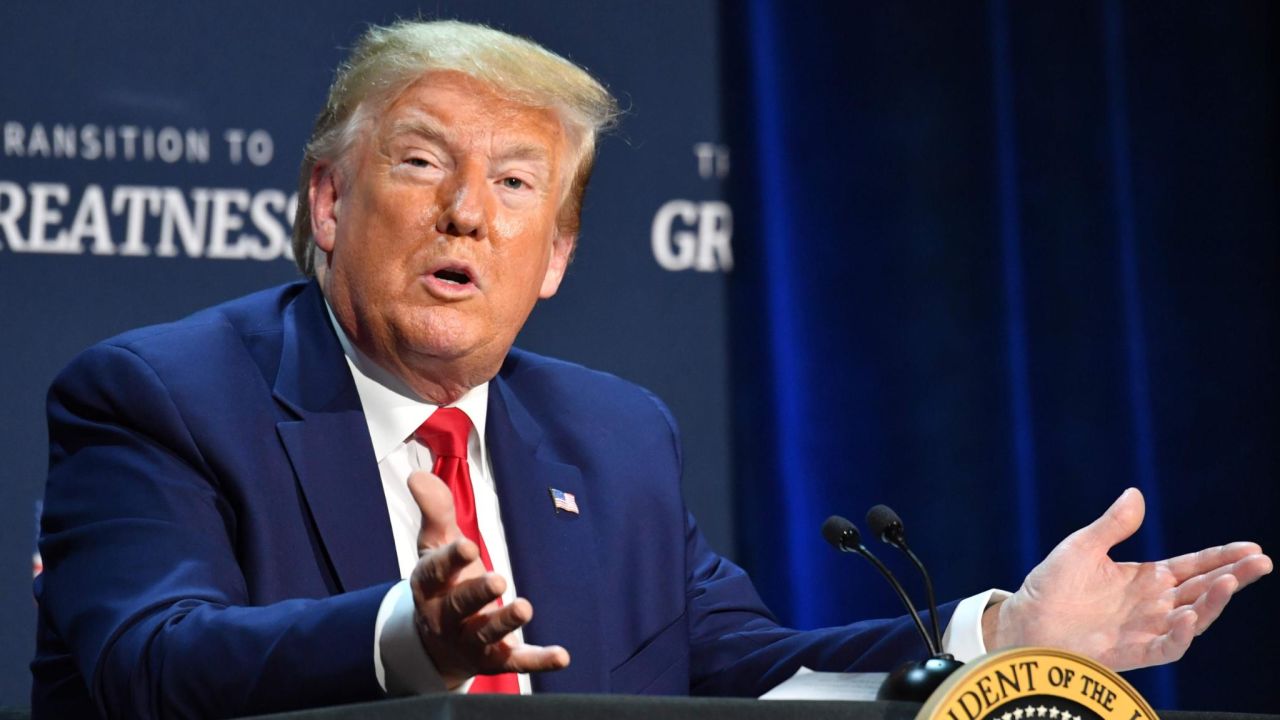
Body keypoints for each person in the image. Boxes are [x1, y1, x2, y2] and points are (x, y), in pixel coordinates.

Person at [32, 19, 1271, 720]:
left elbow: (743, 676)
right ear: (327, 200)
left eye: (516, 185)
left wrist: (997, 637)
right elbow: (151, 667)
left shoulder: (611, 435)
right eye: (421, 165)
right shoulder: (160, 396)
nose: (467, 212)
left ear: (555, 254)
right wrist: (412, 633)